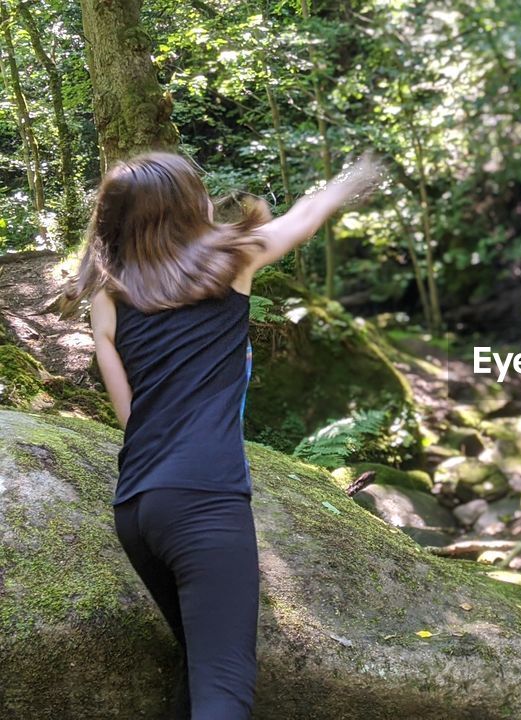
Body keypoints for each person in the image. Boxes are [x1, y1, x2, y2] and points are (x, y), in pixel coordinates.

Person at [56, 149, 381, 719]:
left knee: (200, 662)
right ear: (190, 207)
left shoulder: (107, 292)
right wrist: (353, 178)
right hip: (205, 501)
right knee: (225, 689)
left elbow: (129, 415)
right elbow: (305, 216)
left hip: (137, 507)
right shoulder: (230, 258)